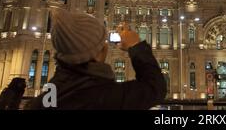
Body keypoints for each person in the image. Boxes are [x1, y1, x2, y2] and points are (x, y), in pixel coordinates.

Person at [25, 8, 166, 110]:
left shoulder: (39, 103)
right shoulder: (106, 98)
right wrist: (135, 46)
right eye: (102, 41)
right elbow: (155, 88)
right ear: (99, 52)